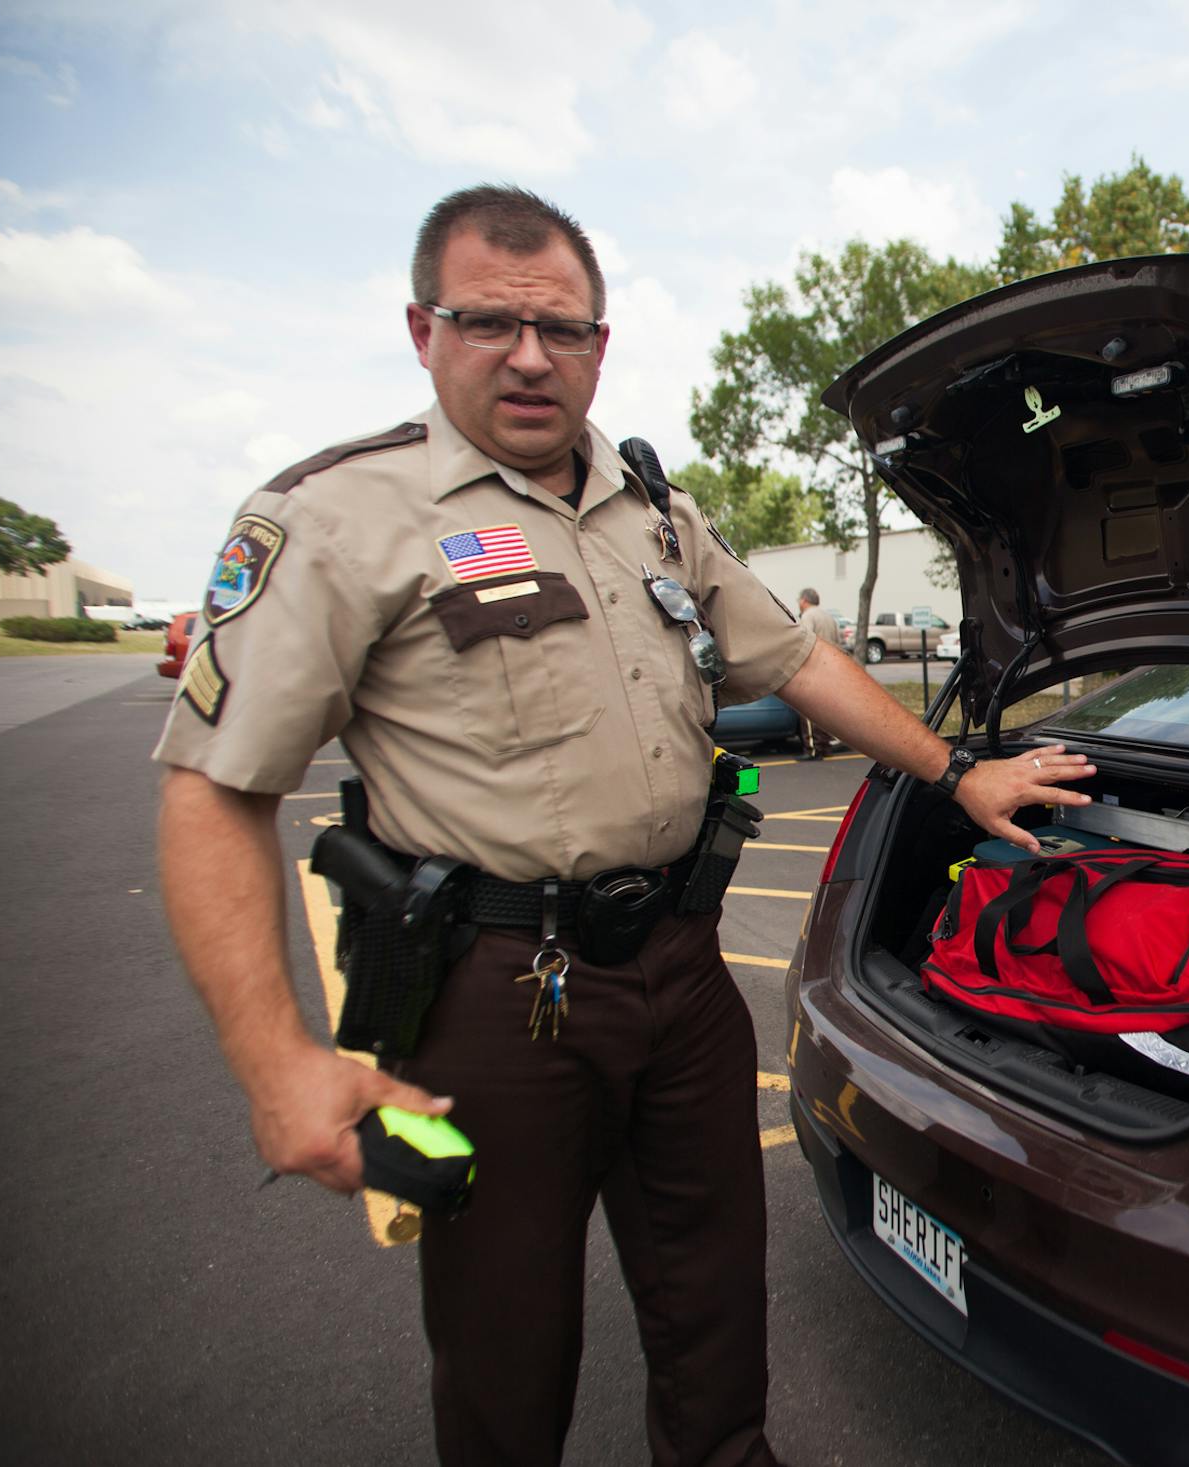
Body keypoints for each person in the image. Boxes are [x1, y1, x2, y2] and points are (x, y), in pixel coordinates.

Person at [154, 184, 1094, 1467]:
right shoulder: (337, 518)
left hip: (680, 970)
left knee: (715, 1301)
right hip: (496, 998)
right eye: (489, 321)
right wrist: (278, 1069)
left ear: (603, 345)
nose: (530, 356)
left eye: (564, 329)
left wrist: (955, 771)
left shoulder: (653, 504)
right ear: (422, 329)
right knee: (506, 1341)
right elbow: (217, 786)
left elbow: (795, 660)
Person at [793, 589, 845, 758]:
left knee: (807, 710)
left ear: (804, 600)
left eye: (799, 600)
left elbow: (804, 640)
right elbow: (838, 642)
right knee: (824, 710)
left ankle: (811, 750)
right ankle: (824, 746)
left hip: (814, 666)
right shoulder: (829, 617)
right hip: (830, 666)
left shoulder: (808, 616)